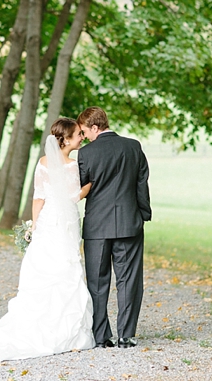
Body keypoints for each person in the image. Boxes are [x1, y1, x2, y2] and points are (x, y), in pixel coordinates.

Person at [0, 118, 95, 361]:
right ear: (66, 139)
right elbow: (73, 196)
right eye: (79, 134)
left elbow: (39, 197)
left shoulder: (43, 163)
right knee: (65, 268)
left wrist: (35, 225)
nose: (81, 137)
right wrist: (89, 186)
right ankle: (63, 331)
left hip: (48, 221)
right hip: (65, 222)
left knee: (49, 268)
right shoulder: (70, 165)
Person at [77, 107, 151, 349]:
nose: (85, 136)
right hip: (130, 224)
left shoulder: (86, 154)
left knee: (97, 283)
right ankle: (126, 336)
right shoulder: (133, 147)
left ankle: (101, 337)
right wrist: (143, 214)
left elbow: (80, 186)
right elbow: (142, 183)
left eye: (85, 131)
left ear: (95, 127)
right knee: (129, 281)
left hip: (97, 227)